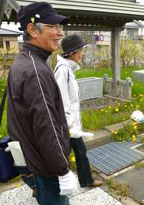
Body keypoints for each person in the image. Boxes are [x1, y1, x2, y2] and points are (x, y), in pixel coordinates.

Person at [7, 2, 78, 205]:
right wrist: (63, 170)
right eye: (53, 27)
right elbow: (46, 126)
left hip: (31, 159)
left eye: (60, 27)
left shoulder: (25, 61)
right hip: (45, 167)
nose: (60, 33)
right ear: (32, 29)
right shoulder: (35, 70)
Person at [54, 34, 102, 187]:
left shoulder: (68, 70)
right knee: (71, 155)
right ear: (72, 53)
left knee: (77, 153)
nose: (83, 53)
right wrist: (69, 127)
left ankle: (84, 180)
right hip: (68, 126)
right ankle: (49, 183)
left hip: (70, 125)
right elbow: (62, 101)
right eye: (81, 50)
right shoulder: (63, 71)